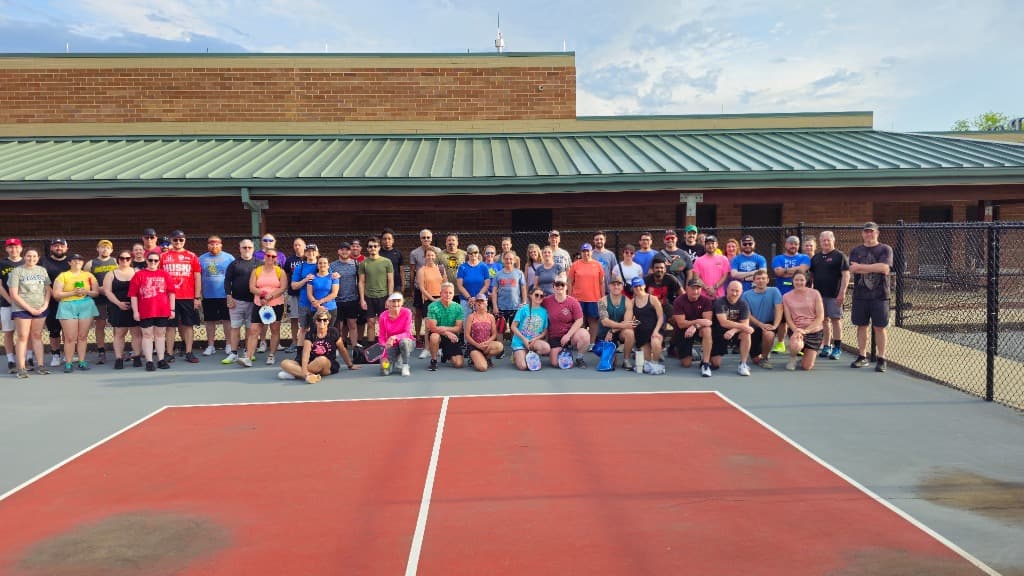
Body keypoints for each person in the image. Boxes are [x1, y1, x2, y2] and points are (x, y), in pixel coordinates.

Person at [849, 222, 893, 373]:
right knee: (862, 326)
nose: (869, 234)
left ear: (877, 233)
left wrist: (862, 267)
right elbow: (853, 268)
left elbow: (884, 268)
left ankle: (881, 358)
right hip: (860, 295)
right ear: (862, 234)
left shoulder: (885, 249)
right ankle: (862, 356)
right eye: (866, 232)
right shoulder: (856, 250)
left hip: (880, 295)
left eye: (871, 232)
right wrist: (875, 267)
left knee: (879, 327)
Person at [278, 309, 359, 383]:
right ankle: (308, 376)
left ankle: (295, 373)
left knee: (321, 360)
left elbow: (342, 350)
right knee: (284, 363)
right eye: (319, 320)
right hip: (311, 363)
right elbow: (306, 354)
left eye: (325, 320)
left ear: (328, 321)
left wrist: (350, 365)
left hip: (327, 365)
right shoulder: (311, 334)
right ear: (315, 321)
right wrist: (304, 368)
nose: (322, 322)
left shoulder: (333, 332)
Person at [129, 249, 176, 372]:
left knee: (160, 335)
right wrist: (135, 311)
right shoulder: (139, 275)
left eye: (156, 260)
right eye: (150, 260)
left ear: (159, 262)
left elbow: (171, 293)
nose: (153, 262)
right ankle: (149, 361)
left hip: (162, 309)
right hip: (145, 310)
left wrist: (172, 309)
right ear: (146, 261)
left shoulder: (164, 274)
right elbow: (133, 295)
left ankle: (161, 359)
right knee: (147, 335)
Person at [8, 248, 52, 378]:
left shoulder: (42, 270)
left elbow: (48, 289)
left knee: (37, 336)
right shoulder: (17, 271)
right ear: (24, 257)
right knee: (23, 337)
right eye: (28, 256)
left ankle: (40, 365)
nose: (31, 259)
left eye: (34, 256)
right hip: (22, 309)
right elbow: (14, 294)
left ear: (38, 258)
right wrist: (29, 309)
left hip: (40, 308)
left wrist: (45, 305)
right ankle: (21, 367)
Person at [239, 249, 287, 368]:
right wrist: (262, 295)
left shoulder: (280, 272)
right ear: (264, 257)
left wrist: (270, 296)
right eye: (268, 256)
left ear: (276, 258)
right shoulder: (257, 271)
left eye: (273, 256)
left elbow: (282, 288)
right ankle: (248, 357)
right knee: (254, 330)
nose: (270, 258)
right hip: (259, 304)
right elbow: (252, 287)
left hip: (276, 305)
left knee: (274, 330)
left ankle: (271, 355)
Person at [160, 230, 202, 363]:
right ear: (171, 241)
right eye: (175, 240)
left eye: (181, 240)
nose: (178, 242)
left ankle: (189, 352)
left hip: (187, 296)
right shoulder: (164, 256)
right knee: (170, 326)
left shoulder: (192, 256)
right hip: (169, 297)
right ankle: (169, 353)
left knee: (188, 325)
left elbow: (197, 277)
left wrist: (197, 297)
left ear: (184, 240)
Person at [53, 253, 100, 373]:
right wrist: (73, 292)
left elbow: (96, 292)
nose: (77, 262)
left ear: (82, 262)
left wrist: (86, 291)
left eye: (80, 260)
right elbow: (56, 294)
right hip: (67, 306)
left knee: (82, 336)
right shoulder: (63, 275)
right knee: (70, 337)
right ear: (69, 263)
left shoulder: (88, 275)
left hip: (85, 305)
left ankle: (82, 361)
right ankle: (68, 362)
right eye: (74, 260)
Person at [811, 231, 851, 361]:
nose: (826, 242)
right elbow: (811, 277)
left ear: (833, 241)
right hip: (819, 295)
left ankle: (837, 347)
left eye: (828, 240)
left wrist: (842, 292)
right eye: (823, 240)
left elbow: (846, 275)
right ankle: (826, 346)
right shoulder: (815, 258)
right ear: (820, 242)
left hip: (834, 295)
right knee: (824, 321)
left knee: (836, 320)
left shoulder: (840, 256)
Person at [222, 239, 257, 365]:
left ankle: (248, 352)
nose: (247, 249)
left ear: (253, 248)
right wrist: (229, 296)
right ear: (240, 248)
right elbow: (227, 281)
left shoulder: (259, 264)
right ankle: (233, 353)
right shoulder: (234, 264)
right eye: (244, 247)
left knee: (250, 329)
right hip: (236, 302)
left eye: (249, 247)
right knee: (235, 328)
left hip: (254, 302)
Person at [198, 235, 234, 358]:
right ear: (208, 245)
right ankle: (210, 346)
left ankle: (229, 344)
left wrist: (232, 293)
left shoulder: (229, 258)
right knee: (210, 321)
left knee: (227, 320)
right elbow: (197, 277)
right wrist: (198, 294)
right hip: (208, 295)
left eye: (216, 244)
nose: (214, 246)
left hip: (225, 295)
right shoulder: (201, 259)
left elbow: (234, 276)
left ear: (221, 245)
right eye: (211, 244)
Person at [542, 276, 589, 368]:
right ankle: (562, 351)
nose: (559, 287)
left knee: (584, 334)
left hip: (570, 335)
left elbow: (579, 320)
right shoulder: (546, 301)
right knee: (556, 363)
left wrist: (568, 335)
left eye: (562, 285)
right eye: (557, 284)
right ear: (553, 286)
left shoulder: (573, 302)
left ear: (566, 287)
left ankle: (580, 358)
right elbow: (534, 306)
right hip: (554, 336)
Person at [103, 250, 140, 369]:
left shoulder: (137, 272)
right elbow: (107, 291)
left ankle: (137, 357)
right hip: (117, 307)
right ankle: (119, 358)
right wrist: (118, 303)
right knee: (119, 333)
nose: (124, 261)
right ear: (118, 259)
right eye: (122, 258)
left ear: (131, 259)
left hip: (135, 307)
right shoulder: (111, 274)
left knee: (136, 333)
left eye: (127, 258)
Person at [782, 271, 825, 371]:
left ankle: (806, 354)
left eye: (802, 280)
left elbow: (820, 317)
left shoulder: (815, 293)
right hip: (796, 329)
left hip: (814, 331)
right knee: (796, 345)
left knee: (807, 367)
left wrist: (806, 331)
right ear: (792, 281)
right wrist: (797, 330)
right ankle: (793, 358)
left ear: (806, 281)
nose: (799, 282)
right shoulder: (786, 296)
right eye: (796, 280)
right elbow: (788, 319)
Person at [741, 269, 783, 369]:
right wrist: (760, 324)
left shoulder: (774, 291)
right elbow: (747, 315)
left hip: (769, 324)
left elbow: (779, 309)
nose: (761, 281)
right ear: (754, 281)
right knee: (755, 360)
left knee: (769, 334)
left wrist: (775, 326)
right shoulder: (746, 295)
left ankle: (765, 358)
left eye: (763, 278)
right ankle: (760, 353)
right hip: (753, 327)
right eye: (758, 279)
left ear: (768, 280)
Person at [672, 278, 714, 377]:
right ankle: (687, 351)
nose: (695, 291)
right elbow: (681, 324)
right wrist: (697, 321)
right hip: (683, 331)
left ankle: (705, 363)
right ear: (687, 288)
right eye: (693, 288)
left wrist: (695, 326)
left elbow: (708, 322)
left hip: (699, 329)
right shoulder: (678, 301)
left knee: (707, 330)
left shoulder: (706, 301)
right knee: (686, 364)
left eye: (698, 288)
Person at [409, 229, 442, 350]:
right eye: (423, 237)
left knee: (436, 317)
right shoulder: (414, 253)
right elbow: (412, 271)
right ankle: (418, 338)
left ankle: (438, 340)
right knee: (419, 314)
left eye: (428, 237)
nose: (426, 239)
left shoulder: (438, 251)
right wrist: (412, 288)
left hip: (436, 290)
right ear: (420, 239)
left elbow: (440, 269)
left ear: (431, 238)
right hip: (421, 289)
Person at [712, 281, 754, 376]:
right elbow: (723, 322)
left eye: (737, 291)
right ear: (727, 290)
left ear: (741, 291)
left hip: (735, 332)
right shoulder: (719, 302)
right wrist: (743, 326)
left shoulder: (744, 304)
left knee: (746, 334)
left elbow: (745, 323)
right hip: (719, 333)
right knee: (715, 364)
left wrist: (734, 330)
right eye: (732, 290)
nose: (734, 293)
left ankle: (743, 364)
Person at [85, 240, 116, 364]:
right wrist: (98, 289)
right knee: (100, 325)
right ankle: (101, 351)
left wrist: (109, 290)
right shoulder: (90, 264)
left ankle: (118, 349)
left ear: (111, 250)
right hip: (99, 299)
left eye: (107, 248)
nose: (105, 250)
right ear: (97, 249)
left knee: (117, 326)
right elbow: (86, 282)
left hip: (113, 299)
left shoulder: (115, 261)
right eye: (102, 247)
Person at [568, 243, 605, 347]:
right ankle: (582, 342)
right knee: (580, 321)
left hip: (594, 298)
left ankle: (592, 343)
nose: (586, 253)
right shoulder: (575, 265)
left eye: (588, 251)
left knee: (593, 321)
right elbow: (570, 282)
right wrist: (569, 297)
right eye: (584, 251)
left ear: (591, 252)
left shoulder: (597, 265)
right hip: (578, 299)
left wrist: (602, 298)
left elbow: (602, 283)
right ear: (581, 252)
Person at [40, 238, 70, 367]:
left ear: (66, 249)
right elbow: (43, 282)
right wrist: (55, 294)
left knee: (69, 330)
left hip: (69, 301)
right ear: (51, 248)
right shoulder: (43, 262)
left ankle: (68, 354)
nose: (59, 248)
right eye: (56, 246)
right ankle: (55, 354)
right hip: (51, 301)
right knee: (54, 330)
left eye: (61, 246)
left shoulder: (71, 262)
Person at [358, 236, 394, 343]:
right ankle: (371, 346)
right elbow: (361, 282)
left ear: (379, 247)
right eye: (370, 246)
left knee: (385, 323)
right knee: (370, 322)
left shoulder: (387, 262)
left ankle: (385, 345)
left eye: (375, 246)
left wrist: (390, 298)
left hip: (383, 297)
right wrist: (362, 299)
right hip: (369, 297)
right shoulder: (364, 263)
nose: (373, 248)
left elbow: (390, 281)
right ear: (367, 249)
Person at [0, 238, 28, 372]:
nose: (13, 249)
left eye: (16, 247)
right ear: (6, 249)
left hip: (26, 304)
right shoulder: (2, 263)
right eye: (10, 247)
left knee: (25, 333)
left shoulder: (27, 262)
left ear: (21, 248)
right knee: (8, 332)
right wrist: (11, 300)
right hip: (7, 303)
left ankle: (28, 357)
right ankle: (11, 359)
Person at [597, 277, 637, 370]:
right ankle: (611, 354)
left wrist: (613, 330)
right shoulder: (602, 301)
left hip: (618, 332)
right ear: (609, 286)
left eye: (618, 284)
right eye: (613, 284)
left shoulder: (627, 301)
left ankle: (626, 360)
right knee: (611, 363)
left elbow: (627, 322)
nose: (616, 286)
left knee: (630, 333)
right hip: (605, 333)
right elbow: (605, 322)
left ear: (622, 287)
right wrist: (611, 330)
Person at [629, 277, 665, 374]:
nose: (638, 288)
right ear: (633, 288)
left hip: (655, 329)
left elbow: (661, 317)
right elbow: (630, 319)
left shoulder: (653, 299)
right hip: (642, 333)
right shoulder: (632, 302)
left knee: (655, 341)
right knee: (646, 362)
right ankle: (649, 358)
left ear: (644, 286)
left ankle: (656, 361)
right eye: (635, 286)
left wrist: (656, 331)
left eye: (640, 285)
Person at [426, 282, 464, 371]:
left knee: (459, 364)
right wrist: (446, 332)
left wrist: (446, 329)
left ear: (453, 294)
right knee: (434, 337)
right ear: (440, 294)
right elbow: (432, 327)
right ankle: (434, 360)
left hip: (452, 336)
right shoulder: (433, 306)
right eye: (445, 292)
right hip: (438, 334)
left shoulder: (458, 307)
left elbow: (458, 328)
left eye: (450, 293)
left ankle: (445, 354)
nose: (448, 295)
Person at [330, 242, 361, 350]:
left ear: (350, 251)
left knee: (352, 324)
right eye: (342, 249)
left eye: (347, 249)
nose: (344, 252)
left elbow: (360, 281)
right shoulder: (332, 265)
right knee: (338, 326)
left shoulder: (356, 264)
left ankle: (355, 347)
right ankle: (339, 346)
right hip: (337, 300)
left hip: (352, 299)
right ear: (338, 251)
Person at [414, 247, 444, 359]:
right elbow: (422, 288)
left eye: (432, 255)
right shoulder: (421, 270)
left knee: (440, 325)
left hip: (441, 299)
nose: (430, 257)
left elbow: (445, 283)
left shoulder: (440, 268)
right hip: (428, 300)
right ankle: (426, 349)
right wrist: (432, 299)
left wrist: (442, 297)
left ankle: (439, 348)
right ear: (424, 257)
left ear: (435, 256)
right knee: (428, 326)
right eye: (428, 255)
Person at [511, 288, 550, 371]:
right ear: (531, 295)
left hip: (533, 341)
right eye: (536, 295)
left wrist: (535, 339)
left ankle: (529, 353)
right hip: (520, 341)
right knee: (523, 367)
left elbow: (545, 331)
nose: (539, 297)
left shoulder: (544, 312)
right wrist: (524, 339)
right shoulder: (523, 309)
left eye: (541, 296)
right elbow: (513, 327)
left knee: (546, 348)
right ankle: (517, 354)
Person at [377, 292, 415, 377]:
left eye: (398, 301)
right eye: (393, 301)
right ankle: (395, 360)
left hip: (407, 342)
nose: (396, 303)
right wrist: (384, 354)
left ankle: (405, 365)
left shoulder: (407, 312)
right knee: (384, 371)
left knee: (404, 342)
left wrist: (394, 337)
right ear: (388, 303)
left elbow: (407, 333)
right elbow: (382, 336)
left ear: (402, 303)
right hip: (391, 346)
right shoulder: (383, 316)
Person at [290, 243, 321, 346]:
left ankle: (319, 349)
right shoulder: (300, 267)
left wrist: (335, 275)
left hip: (319, 302)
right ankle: (300, 351)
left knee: (319, 327)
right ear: (305, 253)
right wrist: (305, 279)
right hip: (304, 303)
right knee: (304, 328)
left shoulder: (322, 264)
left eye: (313, 251)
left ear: (317, 253)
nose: (311, 253)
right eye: (308, 251)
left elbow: (330, 280)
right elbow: (294, 286)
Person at [492, 251, 527, 341]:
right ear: (503, 260)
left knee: (514, 329)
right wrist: (495, 306)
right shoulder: (498, 274)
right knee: (500, 329)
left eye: (511, 259)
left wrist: (524, 302)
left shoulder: (519, 273)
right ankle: (500, 352)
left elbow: (523, 289)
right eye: (506, 259)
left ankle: (514, 350)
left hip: (515, 307)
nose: (508, 261)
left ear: (514, 260)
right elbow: (494, 291)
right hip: (501, 307)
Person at [465, 295, 503, 371]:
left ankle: (486, 357)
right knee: (482, 368)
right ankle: (474, 358)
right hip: (474, 346)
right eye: (478, 301)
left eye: (482, 301)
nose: (480, 303)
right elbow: (467, 335)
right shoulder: (471, 317)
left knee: (500, 346)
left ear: (486, 302)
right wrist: (477, 345)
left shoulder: (491, 317)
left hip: (487, 345)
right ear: (475, 303)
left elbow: (494, 334)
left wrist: (487, 342)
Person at [283, 237, 308, 352]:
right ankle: (294, 342)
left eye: (299, 245)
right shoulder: (289, 260)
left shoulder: (309, 258)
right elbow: (287, 276)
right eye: (295, 245)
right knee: (293, 318)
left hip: (307, 293)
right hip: (293, 293)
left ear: (304, 246)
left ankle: (306, 342)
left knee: (307, 319)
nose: (297, 247)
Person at [456, 244, 490, 317]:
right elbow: (460, 285)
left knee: (481, 323)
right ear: (467, 254)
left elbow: (486, 284)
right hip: (466, 300)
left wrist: (477, 297)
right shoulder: (462, 267)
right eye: (470, 253)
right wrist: (469, 298)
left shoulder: (484, 266)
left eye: (475, 252)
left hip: (481, 300)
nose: (473, 254)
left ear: (478, 253)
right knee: (466, 323)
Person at [307, 255, 339, 328]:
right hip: (315, 309)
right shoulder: (311, 277)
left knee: (329, 332)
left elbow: (334, 293)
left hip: (330, 308)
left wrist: (320, 302)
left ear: (328, 265)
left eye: (325, 263)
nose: (322, 265)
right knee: (315, 332)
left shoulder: (334, 277)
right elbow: (309, 294)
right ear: (317, 265)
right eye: (320, 263)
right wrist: (318, 306)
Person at [379, 228, 404, 295]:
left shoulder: (398, 253)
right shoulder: (378, 253)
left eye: (389, 239)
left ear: (393, 240)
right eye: (385, 239)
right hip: (382, 286)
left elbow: (401, 271)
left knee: (396, 305)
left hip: (396, 285)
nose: (387, 241)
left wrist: (403, 285)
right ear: (381, 241)